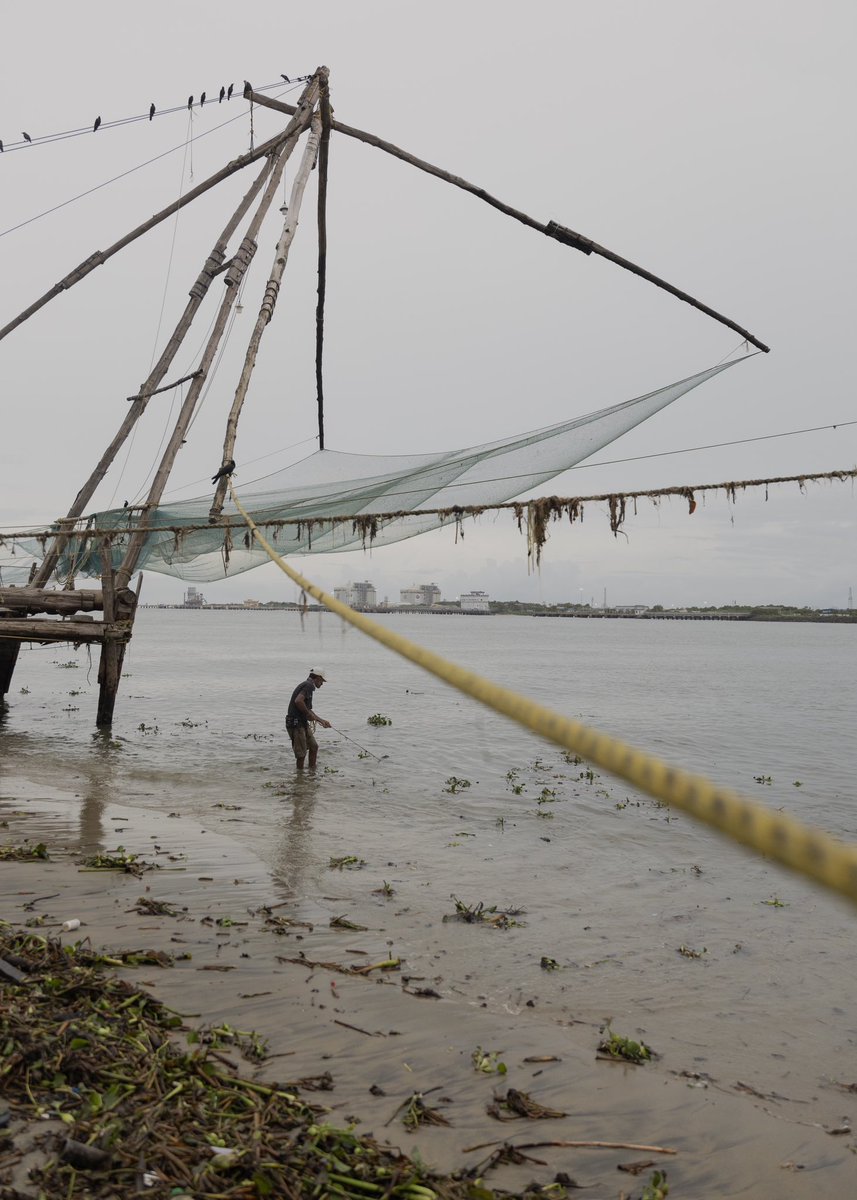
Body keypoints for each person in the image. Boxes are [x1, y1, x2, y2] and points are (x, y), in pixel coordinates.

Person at [286, 670, 331, 769]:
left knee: (314, 747)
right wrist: (307, 713)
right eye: (322, 681)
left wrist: (322, 721)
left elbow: (309, 710)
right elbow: (298, 701)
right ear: (318, 678)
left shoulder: (308, 686)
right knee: (301, 755)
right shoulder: (309, 685)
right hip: (296, 724)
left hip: (302, 723)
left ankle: (311, 773)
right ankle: (300, 778)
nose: (322, 684)